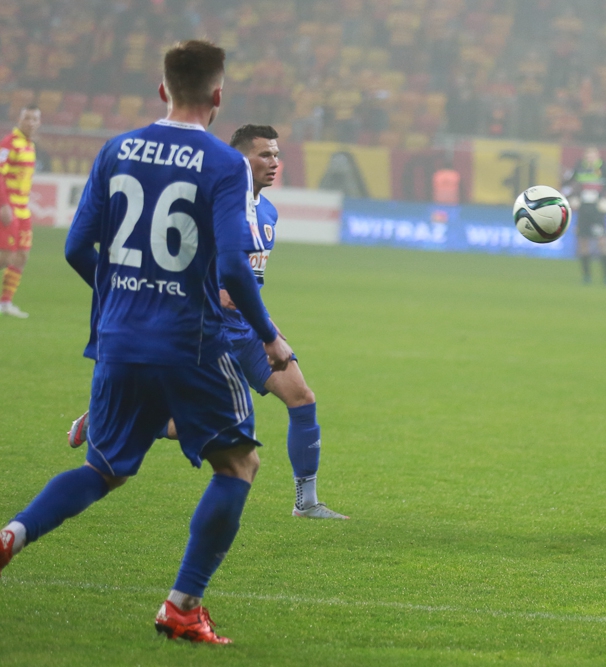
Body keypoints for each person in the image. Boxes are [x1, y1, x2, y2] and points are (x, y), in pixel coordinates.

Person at [0, 40, 294, 644]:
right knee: (239, 463)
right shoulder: (224, 164)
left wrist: (125, 296)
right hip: (190, 341)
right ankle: (182, 606)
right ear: (218, 96)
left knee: (102, 468)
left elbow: (76, 248)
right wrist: (268, 336)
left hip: (119, 338)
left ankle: (13, 534)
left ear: (163, 89)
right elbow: (234, 268)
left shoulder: (117, 149)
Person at [68, 124, 347, 520]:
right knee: (205, 426)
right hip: (205, 329)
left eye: (276, 154)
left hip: (247, 330)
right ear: (241, 159)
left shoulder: (268, 212)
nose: (274, 162)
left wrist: (267, 327)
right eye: (265, 154)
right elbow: (190, 268)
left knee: (302, 397)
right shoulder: (211, 203)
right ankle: (115, 421)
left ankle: (307, 502)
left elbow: (249, 282)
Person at [0, 103, 42, 318]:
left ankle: (5, 303)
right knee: (5, 258)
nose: (31, 123)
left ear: (39, 122)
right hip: (9, 208)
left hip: (23, 210)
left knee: (21, 256)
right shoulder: (9, 143)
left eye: (35, 119)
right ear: (19, 120)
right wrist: (3, 205)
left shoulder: (29, 145)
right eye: (27, 118)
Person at [563, 146, 606, 285]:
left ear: (598, 156)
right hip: (583, 209)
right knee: (583, 242)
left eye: (593, 155)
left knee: (602, 242)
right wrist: (571, 199)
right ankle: (586, 276)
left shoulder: (605, 169)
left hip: (598, 211)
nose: (590, 158)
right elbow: (566, 186)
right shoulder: (578, 169)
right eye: (588, 155)